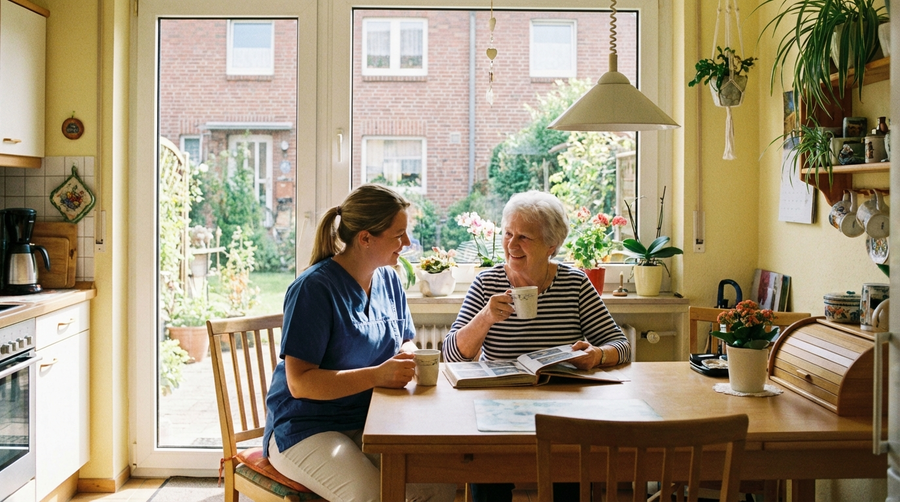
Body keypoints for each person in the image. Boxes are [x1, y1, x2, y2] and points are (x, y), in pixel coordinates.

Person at [263, 184, 457, 502]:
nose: (408, 243)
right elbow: (300, 384)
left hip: (371, 421)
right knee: (370, 495)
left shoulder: (390, 280)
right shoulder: (313, 289)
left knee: (437, 484)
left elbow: (405, 340)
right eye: (399, 235)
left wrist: (407, 358)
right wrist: (378, 375)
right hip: (306, 427)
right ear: (365, 238)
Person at [442, 190, 631, 502]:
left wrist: (596, 355)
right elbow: (451, 355)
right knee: (487, 486)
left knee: (569, 484)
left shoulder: (575, 283)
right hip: (498, 413)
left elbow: (621, 345)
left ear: (551, 246)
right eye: (508, 233)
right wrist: (486, 317)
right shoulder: (486, 284)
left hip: (562, 416)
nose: (511, 245)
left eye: (524, 237)